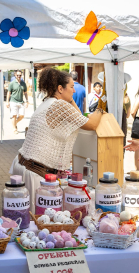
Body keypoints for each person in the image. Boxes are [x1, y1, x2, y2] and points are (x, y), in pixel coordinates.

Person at [9, 67, 105, 212]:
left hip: (25, 164)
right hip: (34, 170)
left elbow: (79, 118)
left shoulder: (49, 102)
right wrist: (100, 109)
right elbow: (90, 124)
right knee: (38, 219)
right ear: (60, 88)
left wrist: (71, 99)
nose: (74, 90)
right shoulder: (59, 105)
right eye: (72, 87)